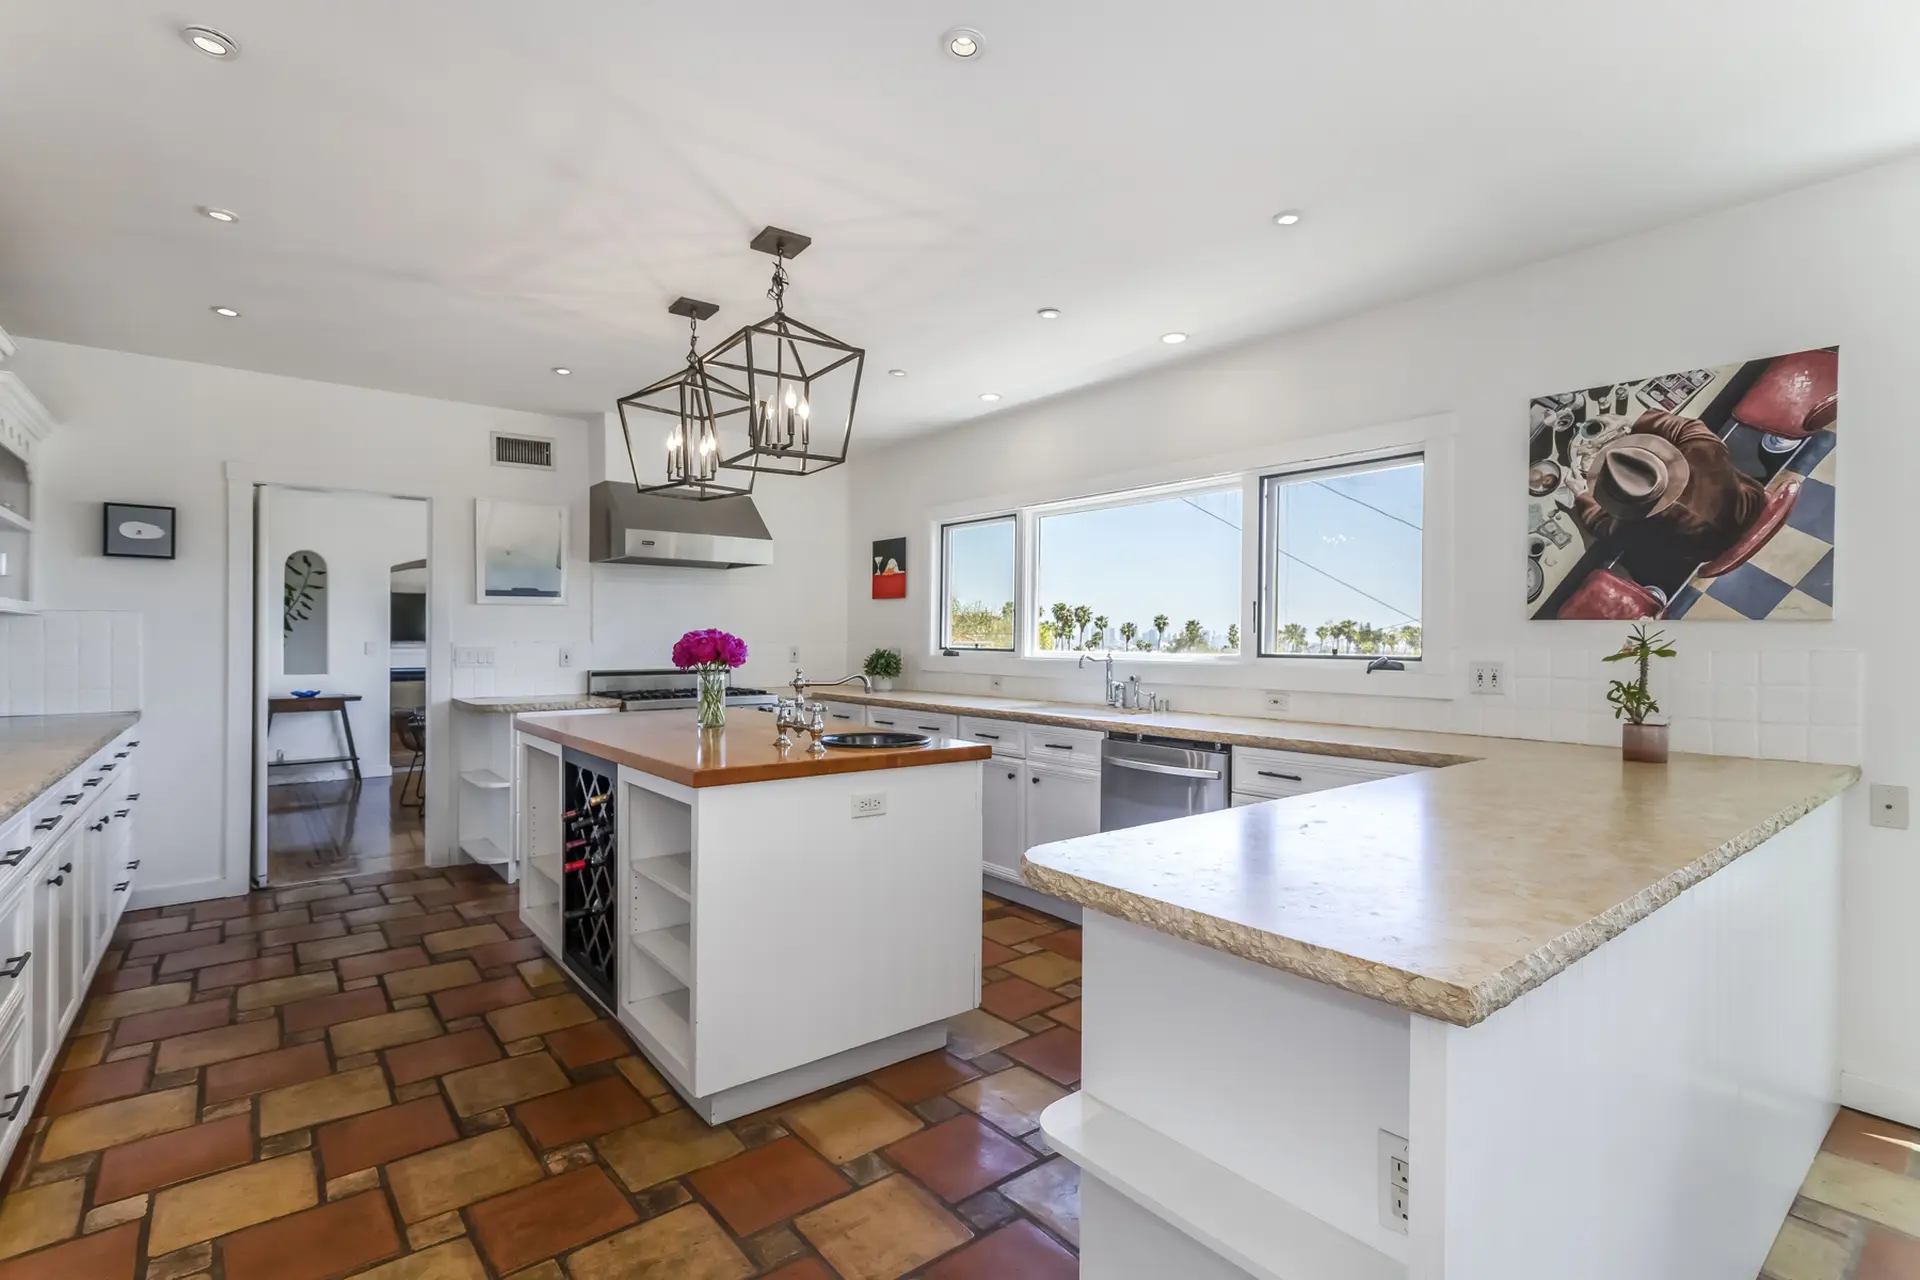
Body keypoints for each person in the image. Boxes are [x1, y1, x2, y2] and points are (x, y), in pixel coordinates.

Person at [1571, 411, 1766, 589]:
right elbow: (1689, 427)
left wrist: (1582, 496)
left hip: (1705, 551)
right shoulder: (1701, 452)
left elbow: (1604, 526)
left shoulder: (1640, 523)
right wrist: (1634, 421)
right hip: (1752, 506)